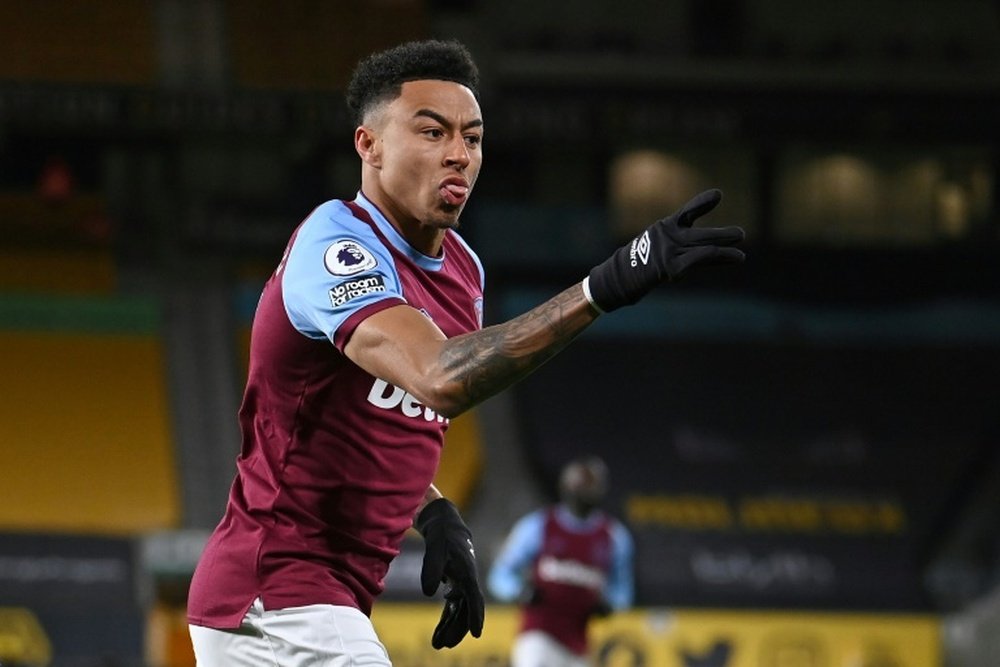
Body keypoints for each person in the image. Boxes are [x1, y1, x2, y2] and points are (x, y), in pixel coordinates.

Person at [186, 38, 745, 666]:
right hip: (276, 591)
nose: (459, 154)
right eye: (432, 133)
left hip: (317, 598)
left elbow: (376, 418)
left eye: (473, 138)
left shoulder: (463, 272)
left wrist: (431, 512)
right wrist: (602, 288)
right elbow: (438, 378)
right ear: (368, 145)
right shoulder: (334, 244)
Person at [488, 457, 634, 667]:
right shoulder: (538, 526)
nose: (582, 491)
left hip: (578, 642)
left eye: (588, 485)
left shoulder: (613, 537)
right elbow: (501, 574)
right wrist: (518, 591)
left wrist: (611, 604)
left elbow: (622, 590)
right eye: (577, 484)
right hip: (538, 634)